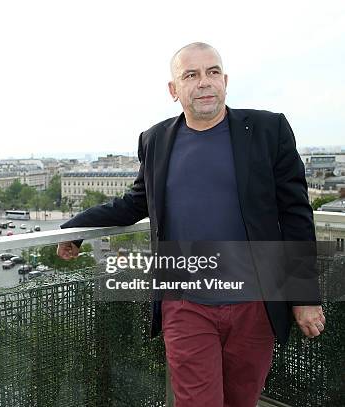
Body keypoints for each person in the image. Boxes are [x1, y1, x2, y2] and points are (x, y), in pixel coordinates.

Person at [57, 42, 325, 407]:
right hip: (185, 305)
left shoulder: (267, 130)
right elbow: (137, 202)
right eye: (191, 75)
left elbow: (296, 214)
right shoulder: (155, 140)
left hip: (255, 304)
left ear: (225, 81)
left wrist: (304, 296)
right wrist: (77, 227)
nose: (204, 82)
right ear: (174, 90)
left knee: (241, 400)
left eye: (213, 72)